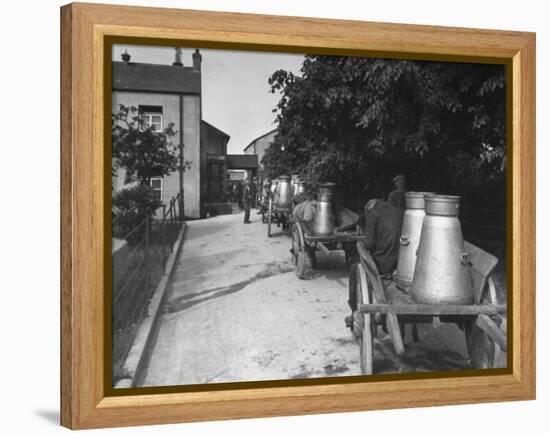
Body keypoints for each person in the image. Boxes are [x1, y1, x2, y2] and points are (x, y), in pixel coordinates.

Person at [346, 198, 404, 328]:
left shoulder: (372, 211)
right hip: (400, 263)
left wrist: (363, 240)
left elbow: (370, 244)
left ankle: (354, 309)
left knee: (355, 269)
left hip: (383, 263)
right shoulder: (399, 212)